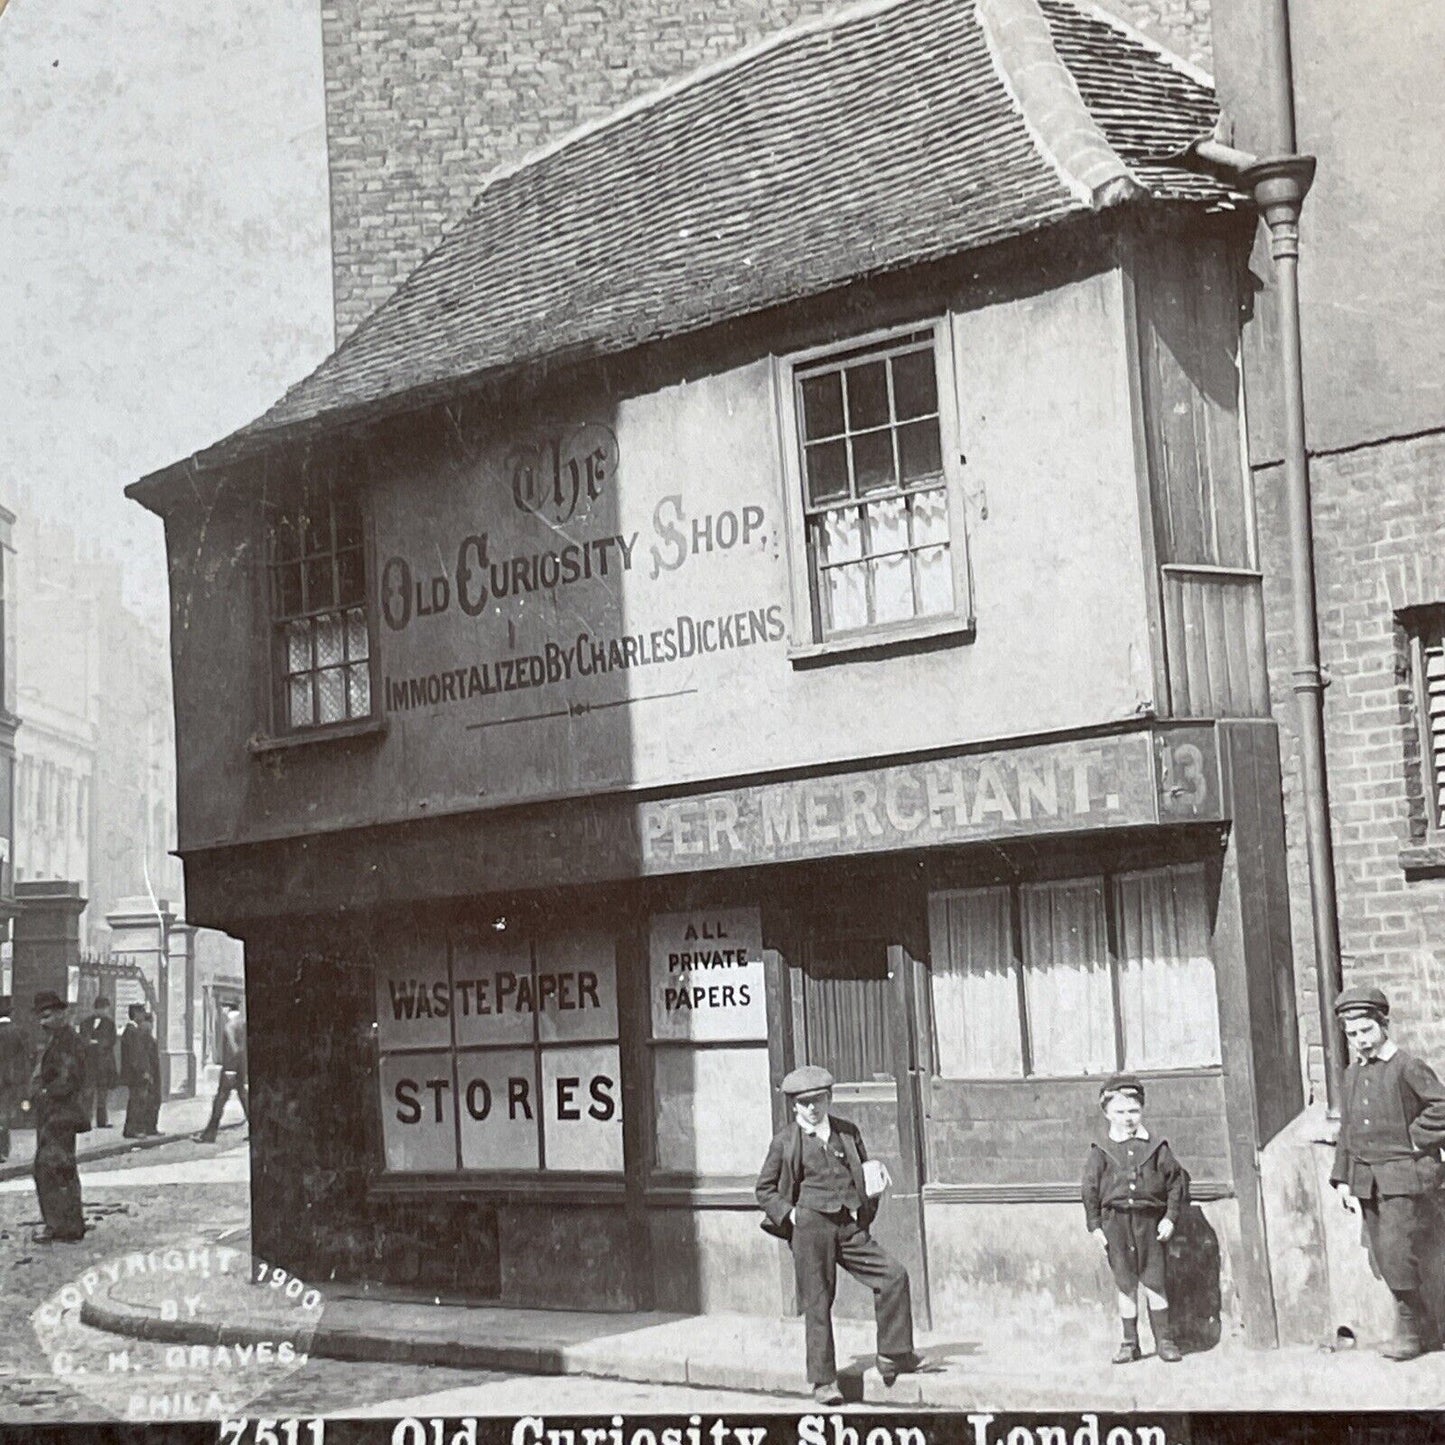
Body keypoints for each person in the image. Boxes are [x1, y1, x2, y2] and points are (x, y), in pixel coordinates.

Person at [755, 1064, 922, 1405]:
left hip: (848, 1225)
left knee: (893, 1275)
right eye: (804, 1103)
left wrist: (871, 1188)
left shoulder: (847, 1132)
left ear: (829, 1099)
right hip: (810, 1230)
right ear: (794, 1106)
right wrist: (791, 1215)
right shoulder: (785, 1142)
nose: (812, 1108)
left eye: (818, 1100)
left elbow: (862, 1168)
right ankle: (823, 1382)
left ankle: (893, 1354)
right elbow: (765, 1189)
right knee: (817, 1301)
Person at [1329, 985, 1445, 1361]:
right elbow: (1347, 1128)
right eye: (1352, 1033)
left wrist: (1410, 1139)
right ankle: (1425, 1331)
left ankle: (1412, 1333)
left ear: (1383, 1025)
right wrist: (1343, 1178)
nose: (1360, 1040)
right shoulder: (1351, 1074)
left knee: (1398, 1254)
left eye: (1366, 1030)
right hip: (1366, 1180)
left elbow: (1441, 1107)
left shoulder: (1407, 1066)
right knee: (1382, 1255)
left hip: (1404, 1178)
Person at [1081, 1073, 1188, 1364]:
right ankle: (1130, 1343)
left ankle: (1164, 1341)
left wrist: (1170, 1217)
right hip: (1116, 1225)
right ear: (1106, 1113)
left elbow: (1176, 1183)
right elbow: (1089, 1188)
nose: (1127, 1118)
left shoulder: (1157, 1148)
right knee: (1126, 1285)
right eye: (1119, 1111)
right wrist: (1095, 1226)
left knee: (1154, 1283)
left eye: (1133, 1111)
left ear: (1142, 1110)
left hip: (1149, 1225)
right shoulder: (1101, 1151)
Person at [30, 991, 86, 1243]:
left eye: (46, 1016)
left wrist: (44, 1092)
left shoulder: (66, 1042)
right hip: (56, 1113)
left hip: (59, 1113)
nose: (42, 1022)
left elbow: (66, 1079)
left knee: (49, 1168)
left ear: (61, 1014)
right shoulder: (59, 1039)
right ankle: (70, 1224)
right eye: (40, 1017)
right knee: (60, 1168)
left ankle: (59, 1225)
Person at [195, 1000, 248, 1143]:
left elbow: (234, 1049)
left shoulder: (230, 1026)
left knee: (219, 1101)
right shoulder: (243, 1024)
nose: (223, 1011)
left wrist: (231, 1069)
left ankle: (209, 1135)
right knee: (244, 1098)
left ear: (228, 1009)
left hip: (230, 1069)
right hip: (241, 1068)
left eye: (224, 1008)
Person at [120, 1004, 162, 1139]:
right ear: (135, 1014)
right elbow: (136, 1055)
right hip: (135, 1074)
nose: (143, 1016)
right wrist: (143, 1071)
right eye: (141, 1013)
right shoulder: (132, 1031)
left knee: (141, 1100)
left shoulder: (135, 1030)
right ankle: (132, 1129)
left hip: (138, 1072)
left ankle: (142, 1128)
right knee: (136, 1101)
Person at [81, 994, 118, 1129]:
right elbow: (83, 1039)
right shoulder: (85, 1023)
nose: (103, 1011)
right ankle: (86, 1121)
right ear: (96, 1009)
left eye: (104, 1009)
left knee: (102, 1094)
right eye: (101, 1008)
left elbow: (111, 1041)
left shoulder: (110, 1024)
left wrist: (96, 1043)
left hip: (104, 1064)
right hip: (89, 1063)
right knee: (88, 1093)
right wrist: (90, 1043)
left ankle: (102, 1121)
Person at [0, 995, 27, 1163]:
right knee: (4, 1114)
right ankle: (3, 1149)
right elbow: (22, 1058)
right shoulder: (17, 1032)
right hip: (9, 1079)